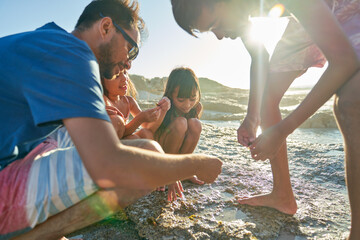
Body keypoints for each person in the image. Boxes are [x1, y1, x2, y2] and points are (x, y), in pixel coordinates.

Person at [0, 0, 222, 239]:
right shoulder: (74, 54)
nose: (129, 62)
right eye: (131, 48)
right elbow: (108, 164)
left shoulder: (48, 40)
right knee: (148, 155)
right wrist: (196, 163)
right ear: (106, 27)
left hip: (16, 155)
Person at [170, 0, 360, 238]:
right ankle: (283, 194)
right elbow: (259, 55)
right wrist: (252, 117)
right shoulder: (239, 12)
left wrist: (282, 131)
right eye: (211, 31)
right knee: (268, 95)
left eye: (215, 24)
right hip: (308, 15)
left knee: (350, 103)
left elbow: (344, 61)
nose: (219, 36)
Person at [154, 67, 204, 201]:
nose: (187, 105)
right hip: (161, 157)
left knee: (195, 124)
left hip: (177, 158)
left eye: (192, 99)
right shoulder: (165, 106)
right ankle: (169, 172)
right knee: (181, 123)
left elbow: (190, 136)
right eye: (181, 100)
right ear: (170, 94)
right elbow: (150, 132)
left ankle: (183, 170)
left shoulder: (197, 107)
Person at [102, 70, 170, 139]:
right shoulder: (103, 101)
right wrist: (139, 119)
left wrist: (163, 110)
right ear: (102, 81)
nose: (125, 78)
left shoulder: (129, 101)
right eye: (117, 76)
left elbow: (148, 127)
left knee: (146, 133)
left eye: (125, 73)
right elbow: (117, 134)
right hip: (110, 143)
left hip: (121, 140)